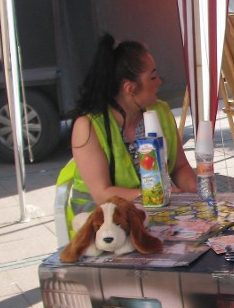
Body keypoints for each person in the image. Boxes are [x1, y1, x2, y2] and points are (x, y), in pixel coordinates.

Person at [70, 34, 197, 212]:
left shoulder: (160, 111)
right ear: (130, 88)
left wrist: (195, 195)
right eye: (152, 78)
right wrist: (155, 196)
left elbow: (179, 166)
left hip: (151, 210)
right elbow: (102, 193)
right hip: (101, 219)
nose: (159, 81)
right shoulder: (88, 126)